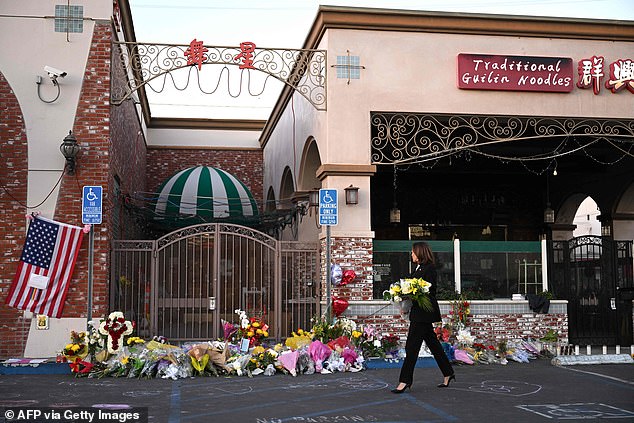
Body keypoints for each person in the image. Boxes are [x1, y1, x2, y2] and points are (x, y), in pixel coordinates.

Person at [391, 241, 455, 393]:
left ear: (419, 253)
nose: (411, 254)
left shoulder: (430, 268)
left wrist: (412, 292)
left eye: (413, 252)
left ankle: (405, 380)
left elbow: (430, 290)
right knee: (433, 345)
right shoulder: (418, 268)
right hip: (419, 313)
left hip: (423, 314)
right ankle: (448, 372)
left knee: (411, 347)